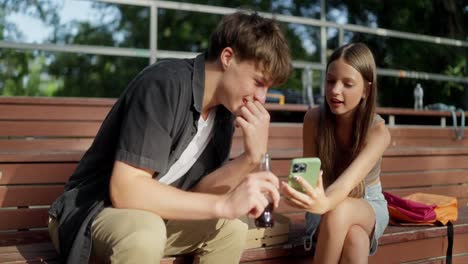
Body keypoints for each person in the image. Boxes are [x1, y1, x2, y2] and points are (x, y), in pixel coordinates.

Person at [48, 10, 291, 264]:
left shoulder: (224, 114)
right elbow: (126, 190)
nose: (262, 98)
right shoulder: (165, 83)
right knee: (147, 231)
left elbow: (199, 193)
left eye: (268, 88)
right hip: (91, 213)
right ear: (228, 57)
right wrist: (224, 205)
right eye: (258, 82)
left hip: (153, 218)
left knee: (231, 229)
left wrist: (251, 159)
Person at [281, 42, 390, 263]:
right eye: (330, 81)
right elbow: (305, 178)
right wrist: (296, 192)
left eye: (347, 84)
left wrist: (324, 203)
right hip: (321, 202)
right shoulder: (314, 119)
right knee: (356, 239)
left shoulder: (378, 132)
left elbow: (344, 186)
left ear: (366, 90)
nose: (335, 91)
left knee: (339, 211)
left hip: (366, 202)